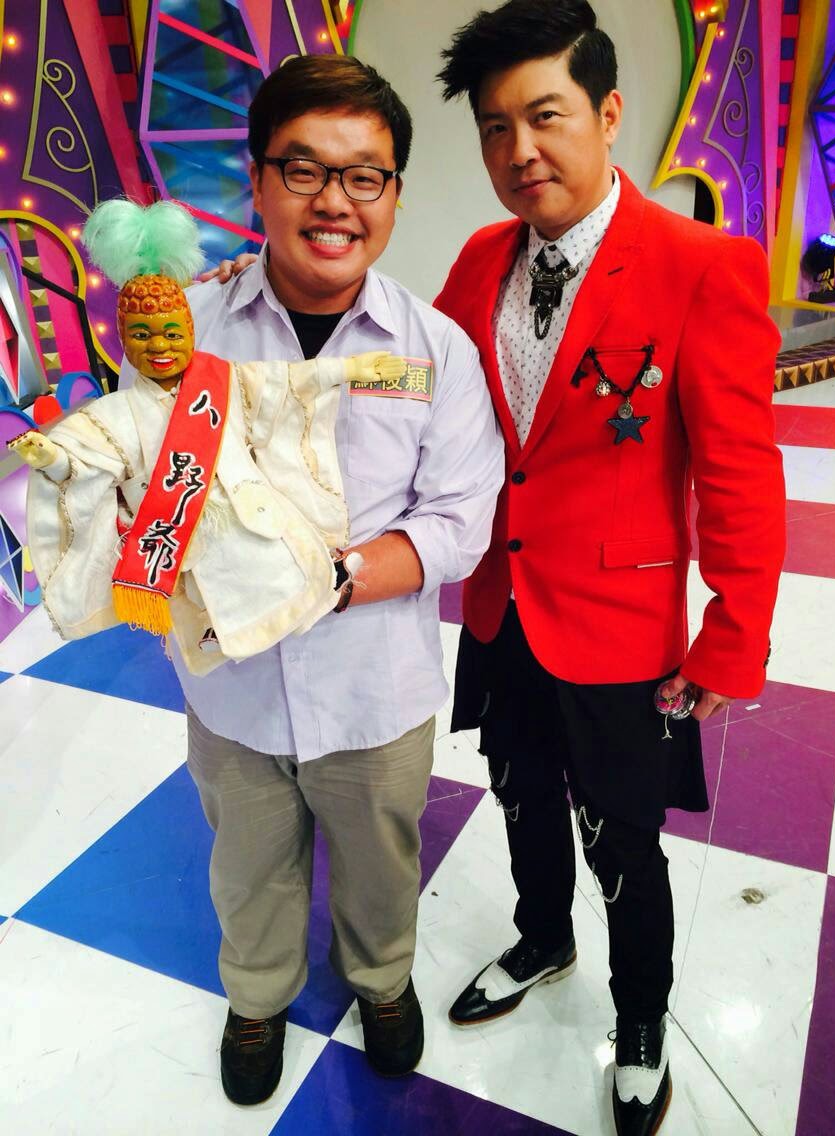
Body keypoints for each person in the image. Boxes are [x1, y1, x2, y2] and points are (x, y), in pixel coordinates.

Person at [121, 55, 503, 1106]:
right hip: (232, 689)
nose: (335, 200)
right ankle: (257, 996)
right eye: (304, 169)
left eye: (363, 175)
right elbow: (142, 480)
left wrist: (323, 578)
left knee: (382, 863)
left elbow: (460, 519)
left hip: (376, 690)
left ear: (393, 195)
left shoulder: (435, 350)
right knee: (247, 862)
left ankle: (382, 981)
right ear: (258, 181)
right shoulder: (189, 332)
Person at [434, 3, 785, 1134]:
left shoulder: (701, 266)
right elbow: (423, 402)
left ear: (609, 112)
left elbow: (740, 473)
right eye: (496, 127)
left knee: (624, 836)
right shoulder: (478, 260)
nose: (519, 149)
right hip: (502, 605)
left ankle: (641, 1018)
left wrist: (731, 635)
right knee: (519, 793)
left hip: (622, 622)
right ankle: (543, 936)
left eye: (545, 116)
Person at [11, 199, 406, 673]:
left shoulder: (221, 378)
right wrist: (52, 458)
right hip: (183, 527)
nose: (159, 346)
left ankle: (326, 582)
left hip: (248, 507)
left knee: (285, 565)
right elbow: (88, 456)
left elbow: (284, 382)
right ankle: (221, 632)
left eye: (171, 333)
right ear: (124, 338)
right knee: (212, 593)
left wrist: (347, 368)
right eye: (143, 335)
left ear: (190, 331)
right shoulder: (117, 412)